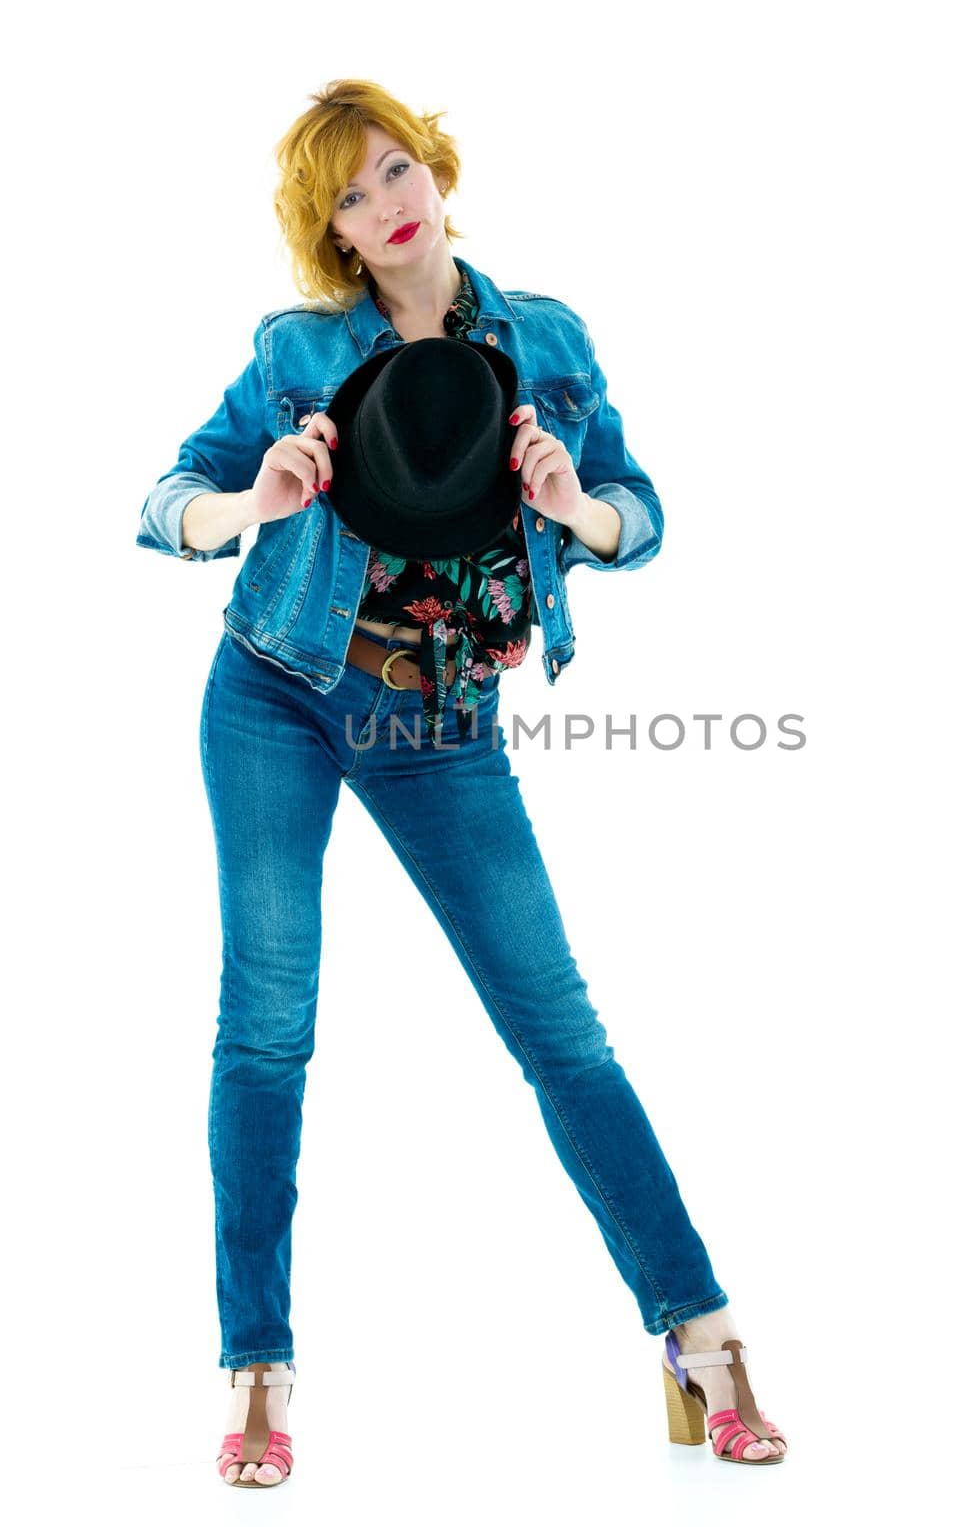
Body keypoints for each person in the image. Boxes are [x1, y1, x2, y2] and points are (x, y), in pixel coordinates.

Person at [135, 78, 787, 1483]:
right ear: (338, 237)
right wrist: (251, 502)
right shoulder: (301, 351)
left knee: (560, 1029)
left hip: (441, 721)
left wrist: (575, 509)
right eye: (352, 197)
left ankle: (704, 1339)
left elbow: (640, 514)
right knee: (268, 1023)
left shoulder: (544, 339)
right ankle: (259, 1368)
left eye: (392, 169)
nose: (386, 202)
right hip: (278, 691)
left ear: (432, 164)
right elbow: (164, 496)